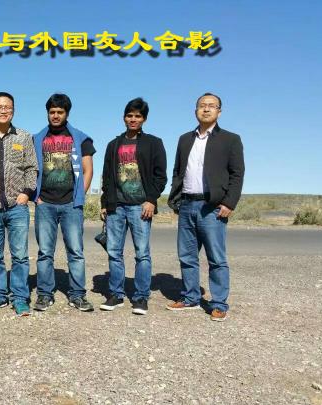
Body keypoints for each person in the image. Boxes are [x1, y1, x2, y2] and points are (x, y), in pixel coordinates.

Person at [166, 93, 245, 322]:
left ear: (219, 111)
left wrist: (229, 202)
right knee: (187, 255)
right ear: (196, 111)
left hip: (212, 206)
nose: (206, 109)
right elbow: (178, 171)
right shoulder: (184, 139)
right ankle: (190, 297)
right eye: (202, 105)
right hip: (187, 204)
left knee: (216, 258)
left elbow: (237, 174)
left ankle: (219, 303)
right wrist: (176, 198)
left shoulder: (230, 139)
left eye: (211, 106)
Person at [99, 98, 167, 315]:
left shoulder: (153, 143)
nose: (133, 119)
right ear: (124, 118)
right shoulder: (114, 145)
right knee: (114, 252)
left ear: (144, 119)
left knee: (142, 253)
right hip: (116, 206)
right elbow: (107, 177)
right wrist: (105, 203)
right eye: (130, 115)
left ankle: (140, 297)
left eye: (138, 116)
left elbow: (160, 176)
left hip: (141, 206)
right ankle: (116, 294)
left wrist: (151, 200)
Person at [0, 91, 38, 317]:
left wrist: (27, 193)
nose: (4, 110)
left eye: (8, 107)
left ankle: (20, 297)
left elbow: (32, 167)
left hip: (17, 206)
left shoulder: (24, 137)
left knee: (20, 255)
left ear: (13, 110)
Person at [32, 94, 95, 312]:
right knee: (44, 252)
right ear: (47, 113)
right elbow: (31, 169)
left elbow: (88, 170)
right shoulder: (37, 139)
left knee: (75, 252)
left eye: (60, 112)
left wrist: (79, 197)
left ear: (67, 113)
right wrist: (36, 197)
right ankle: (44, 294)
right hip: (45, 204)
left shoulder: (81, 139)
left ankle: (77, 295)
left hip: (71, 204)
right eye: (52, 112)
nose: (55, 115)